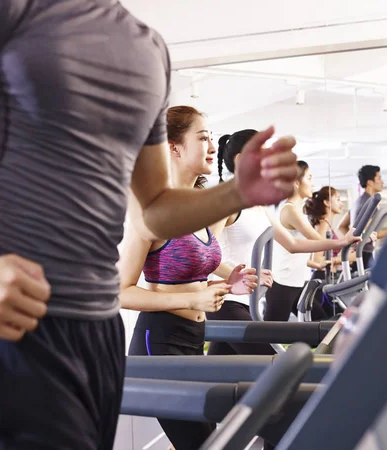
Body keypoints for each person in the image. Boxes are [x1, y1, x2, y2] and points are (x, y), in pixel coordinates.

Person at [0, 3, 299, 449]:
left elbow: (153, 207)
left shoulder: (146, 46)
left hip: (98, 331)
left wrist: (237, 192)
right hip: (14, 324)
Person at [121, 106, 258, 450]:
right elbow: (120, 291)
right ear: (174, 147)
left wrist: (230, 282)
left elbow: (195, 265)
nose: (213, 146)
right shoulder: (150, 211)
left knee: (199, 442)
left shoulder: (197, 206)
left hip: (193, 339)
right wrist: (190, 299)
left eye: (211, 138)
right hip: (160, 344)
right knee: (204, 445)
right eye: (203, 138)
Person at [213, 130, 361, 327]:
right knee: (268, 356)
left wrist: (341, 242)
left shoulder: (258, 203)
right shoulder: (226, 201)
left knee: (228, 356)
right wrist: (238, 277)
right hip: (226, 302)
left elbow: (292, 243)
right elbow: (204, 257)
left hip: (248, 300)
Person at [304, 186, 357, 278]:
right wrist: (343, 258)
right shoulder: (323, 225)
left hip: (330, 275)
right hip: (323, 277)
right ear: (327, 202)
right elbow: (316, 260)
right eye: (338, 199)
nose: (341, 204)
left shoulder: (327, 224)